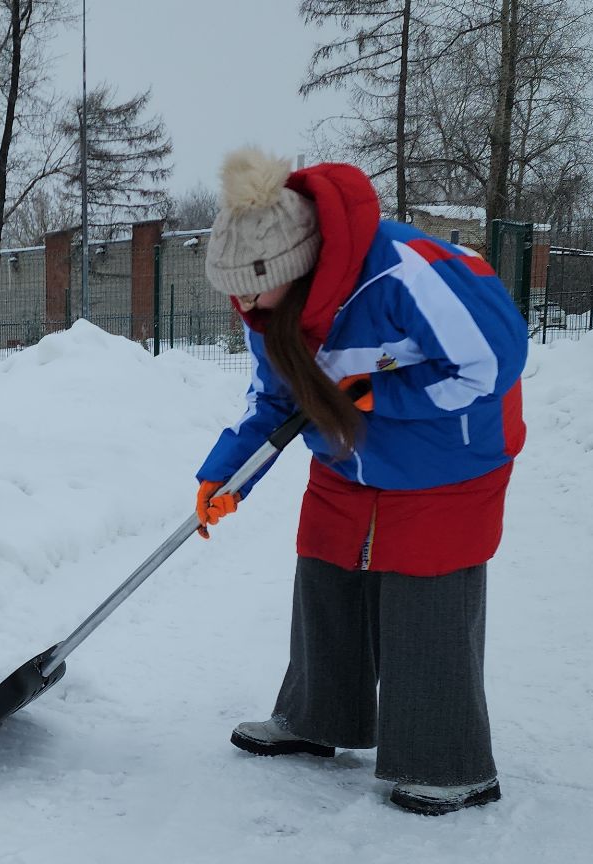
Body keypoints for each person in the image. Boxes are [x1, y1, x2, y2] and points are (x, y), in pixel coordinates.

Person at [192, 147, 527, 817]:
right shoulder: (270, 314)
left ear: (293, 265)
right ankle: (318, 719)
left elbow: (493, 363)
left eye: (251, 288)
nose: (243, 305)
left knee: (423, 589)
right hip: (350, 457)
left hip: (447, 460)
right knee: (325, 566)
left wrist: (376, 396)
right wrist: (226, 475)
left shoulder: (406, 273)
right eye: (233, 290)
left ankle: (449, 762)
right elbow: (274, 404)